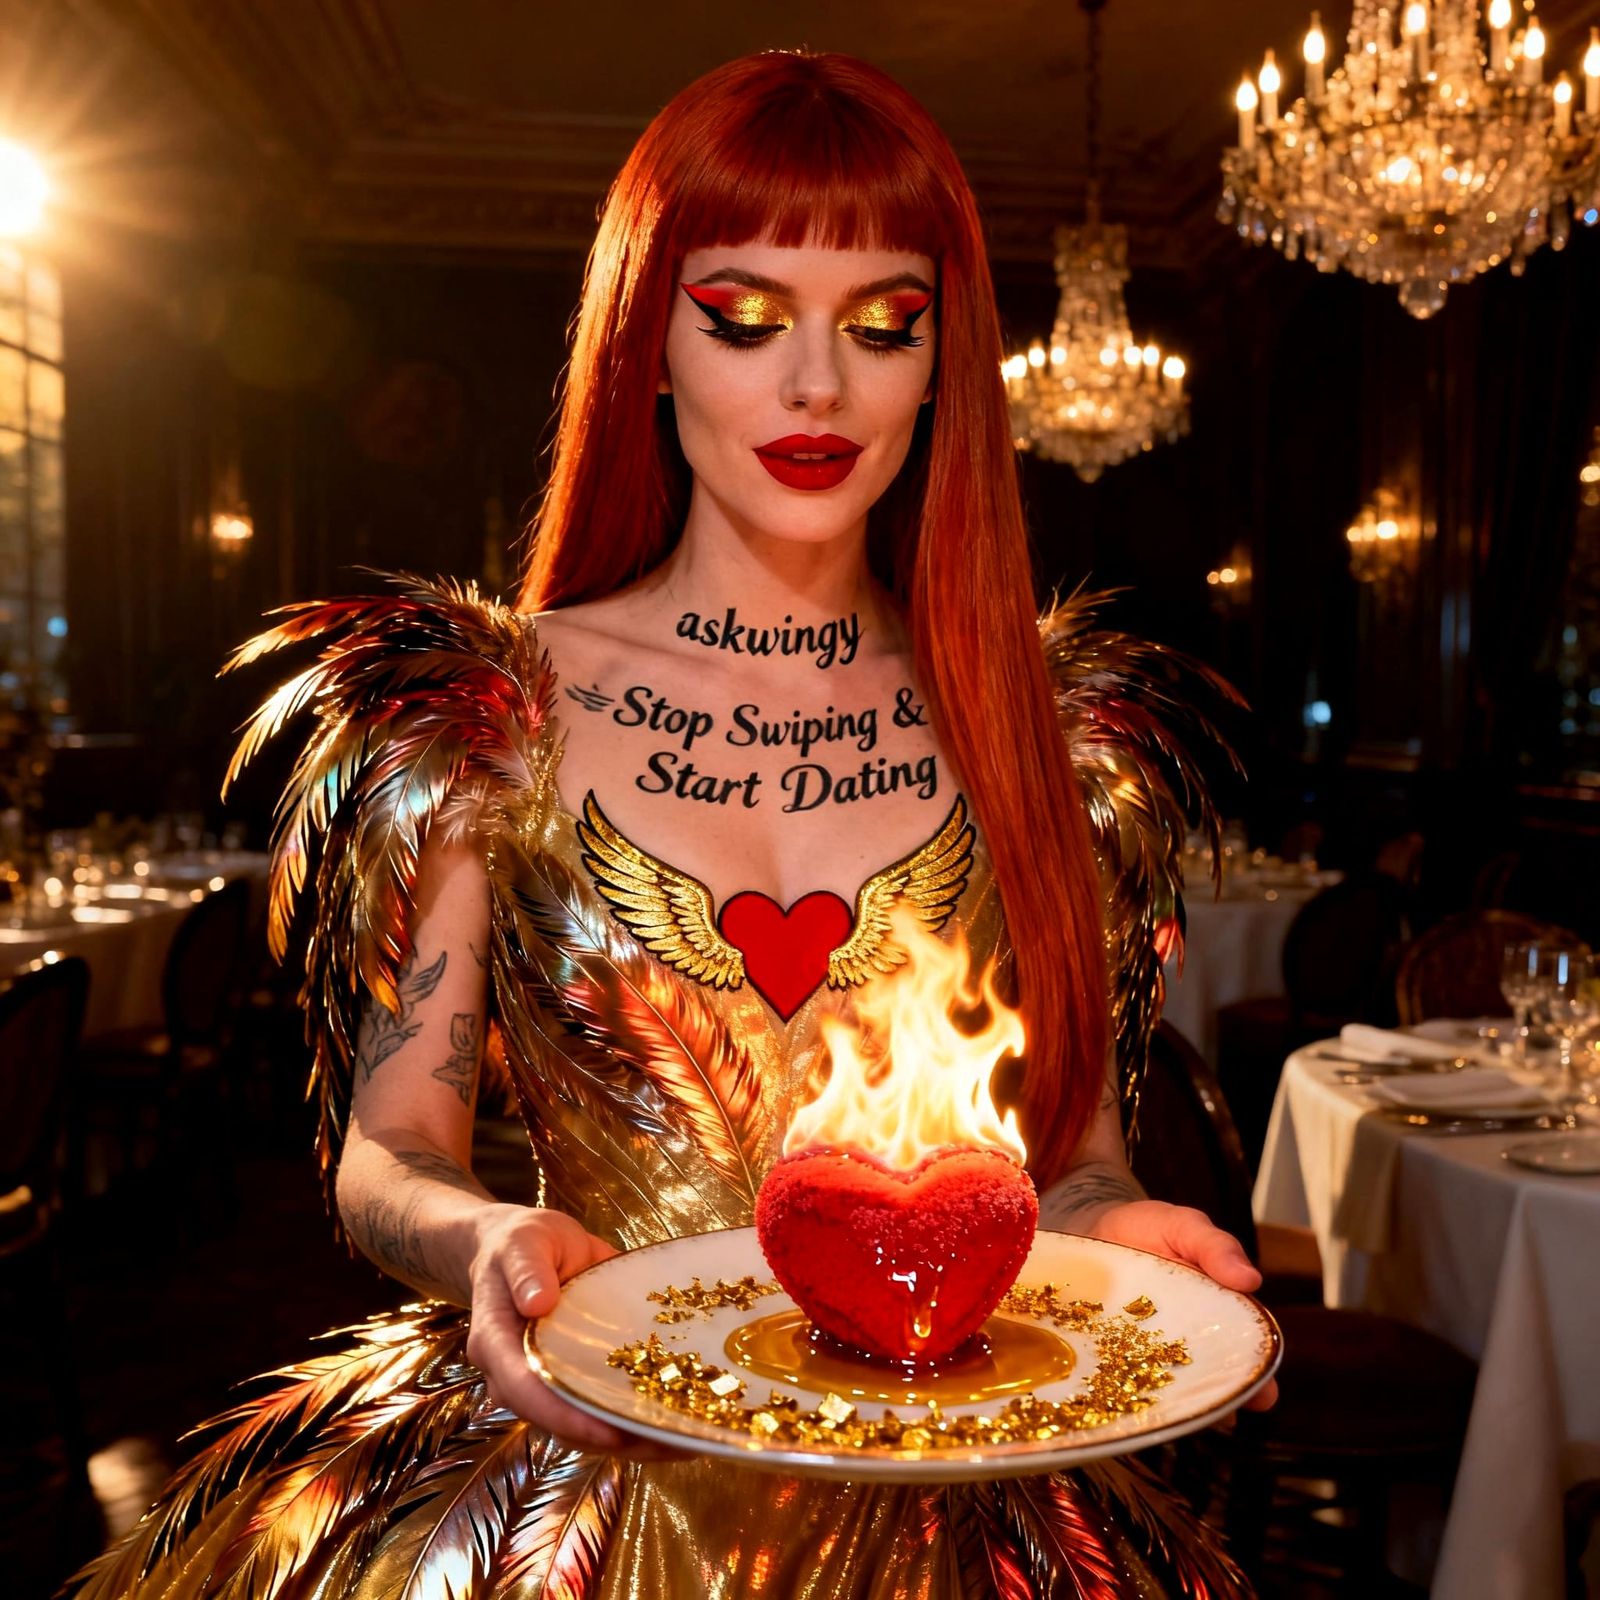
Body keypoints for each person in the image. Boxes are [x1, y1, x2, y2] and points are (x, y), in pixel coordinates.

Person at [75, 50, 1267, 1599]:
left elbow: (1077, 1164)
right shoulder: (484, 712)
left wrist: (1126, 1224)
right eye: (747, 317)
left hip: (948, 1508)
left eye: (885, 324)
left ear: (942, 363)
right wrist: (483, 1240)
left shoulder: (1051, 735)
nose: (819, 387)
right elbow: (389, 1151)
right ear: (649, 340)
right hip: (586, 1498)